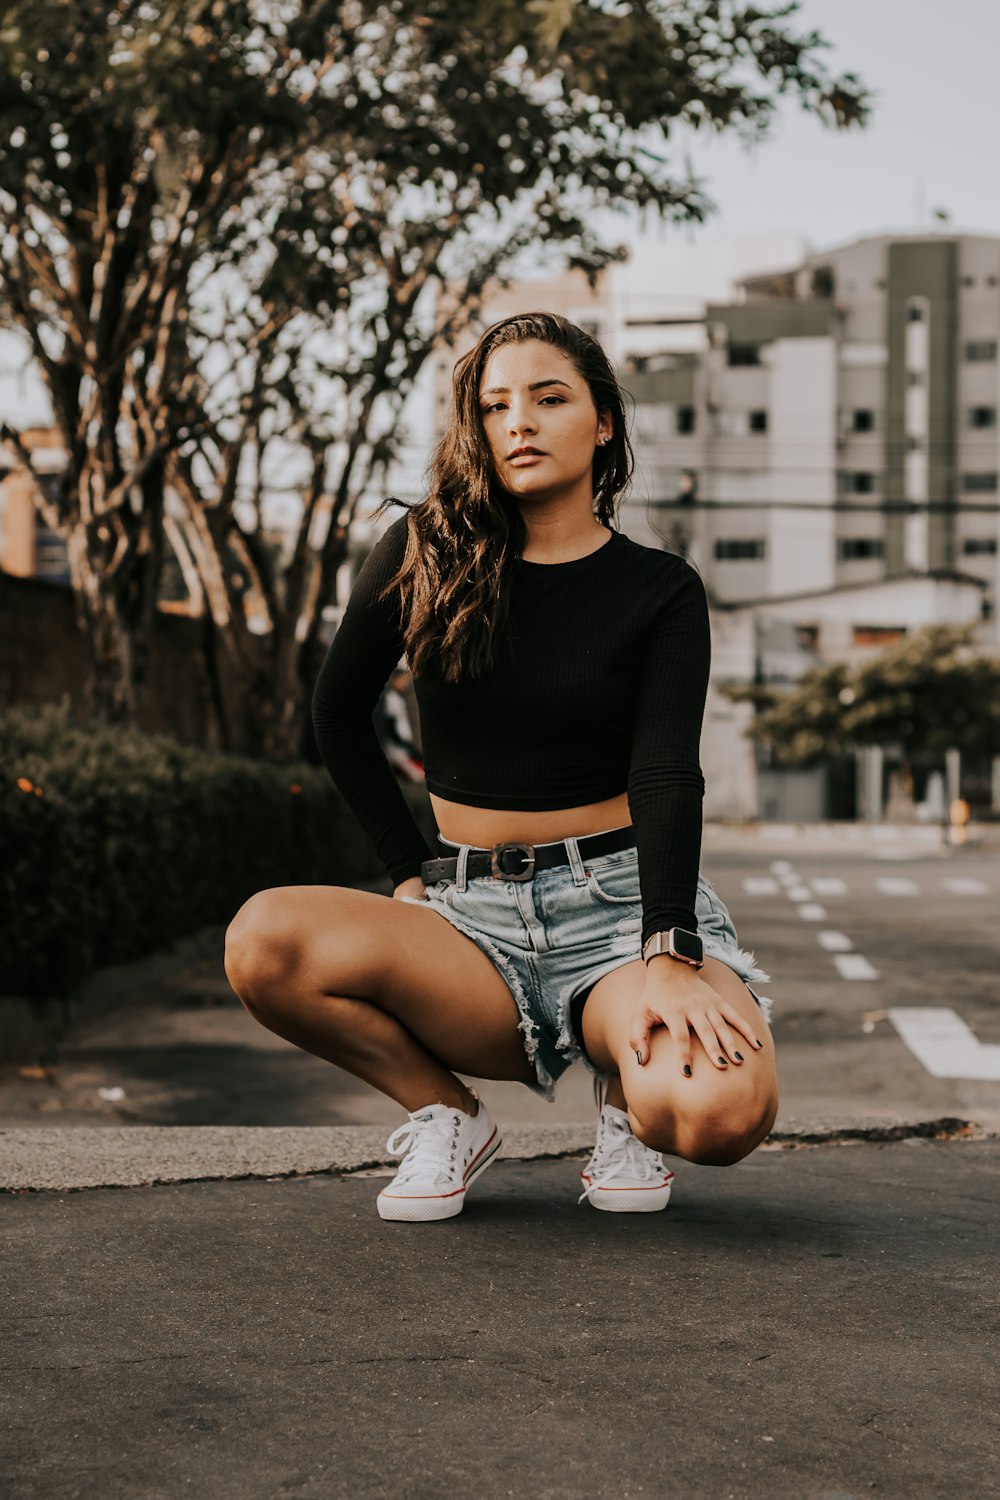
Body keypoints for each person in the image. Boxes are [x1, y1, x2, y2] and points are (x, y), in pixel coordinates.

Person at [225, 311, 778, 1223]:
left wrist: (672, 945)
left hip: (620, 912)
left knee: (721, 1111)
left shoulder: (661, 589)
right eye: (494, 406)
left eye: (548, 398)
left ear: (603, 421)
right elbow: (335, 712)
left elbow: (668, 771)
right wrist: (405, 870)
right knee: (263, 942)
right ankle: (446, 1114)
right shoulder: (422, 557)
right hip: (470, 920)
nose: (517, 422)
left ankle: (628, 1106)